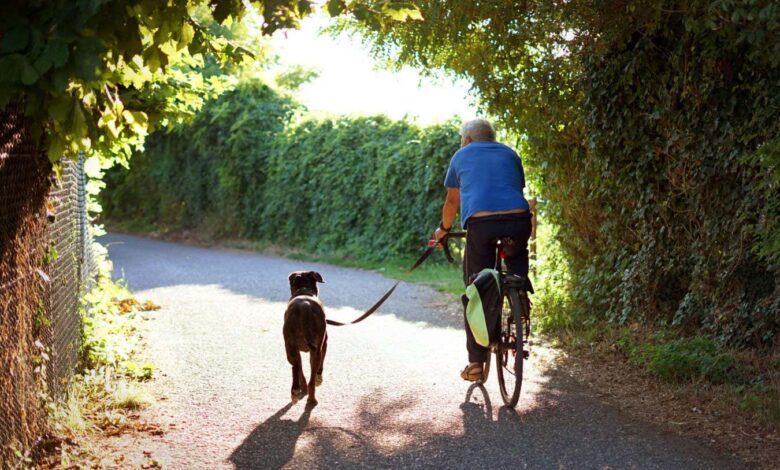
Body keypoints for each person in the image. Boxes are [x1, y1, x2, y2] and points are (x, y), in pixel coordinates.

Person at [433, 118, 532, 382]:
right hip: (519, 220)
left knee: (475, 291)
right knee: (516, 254)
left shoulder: (461, 155)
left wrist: (443, 229)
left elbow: (453, 200)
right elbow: (514, 189)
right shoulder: (511, 153)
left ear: (466, 139)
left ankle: (476, 362)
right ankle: (520, 291)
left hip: (482, 225)